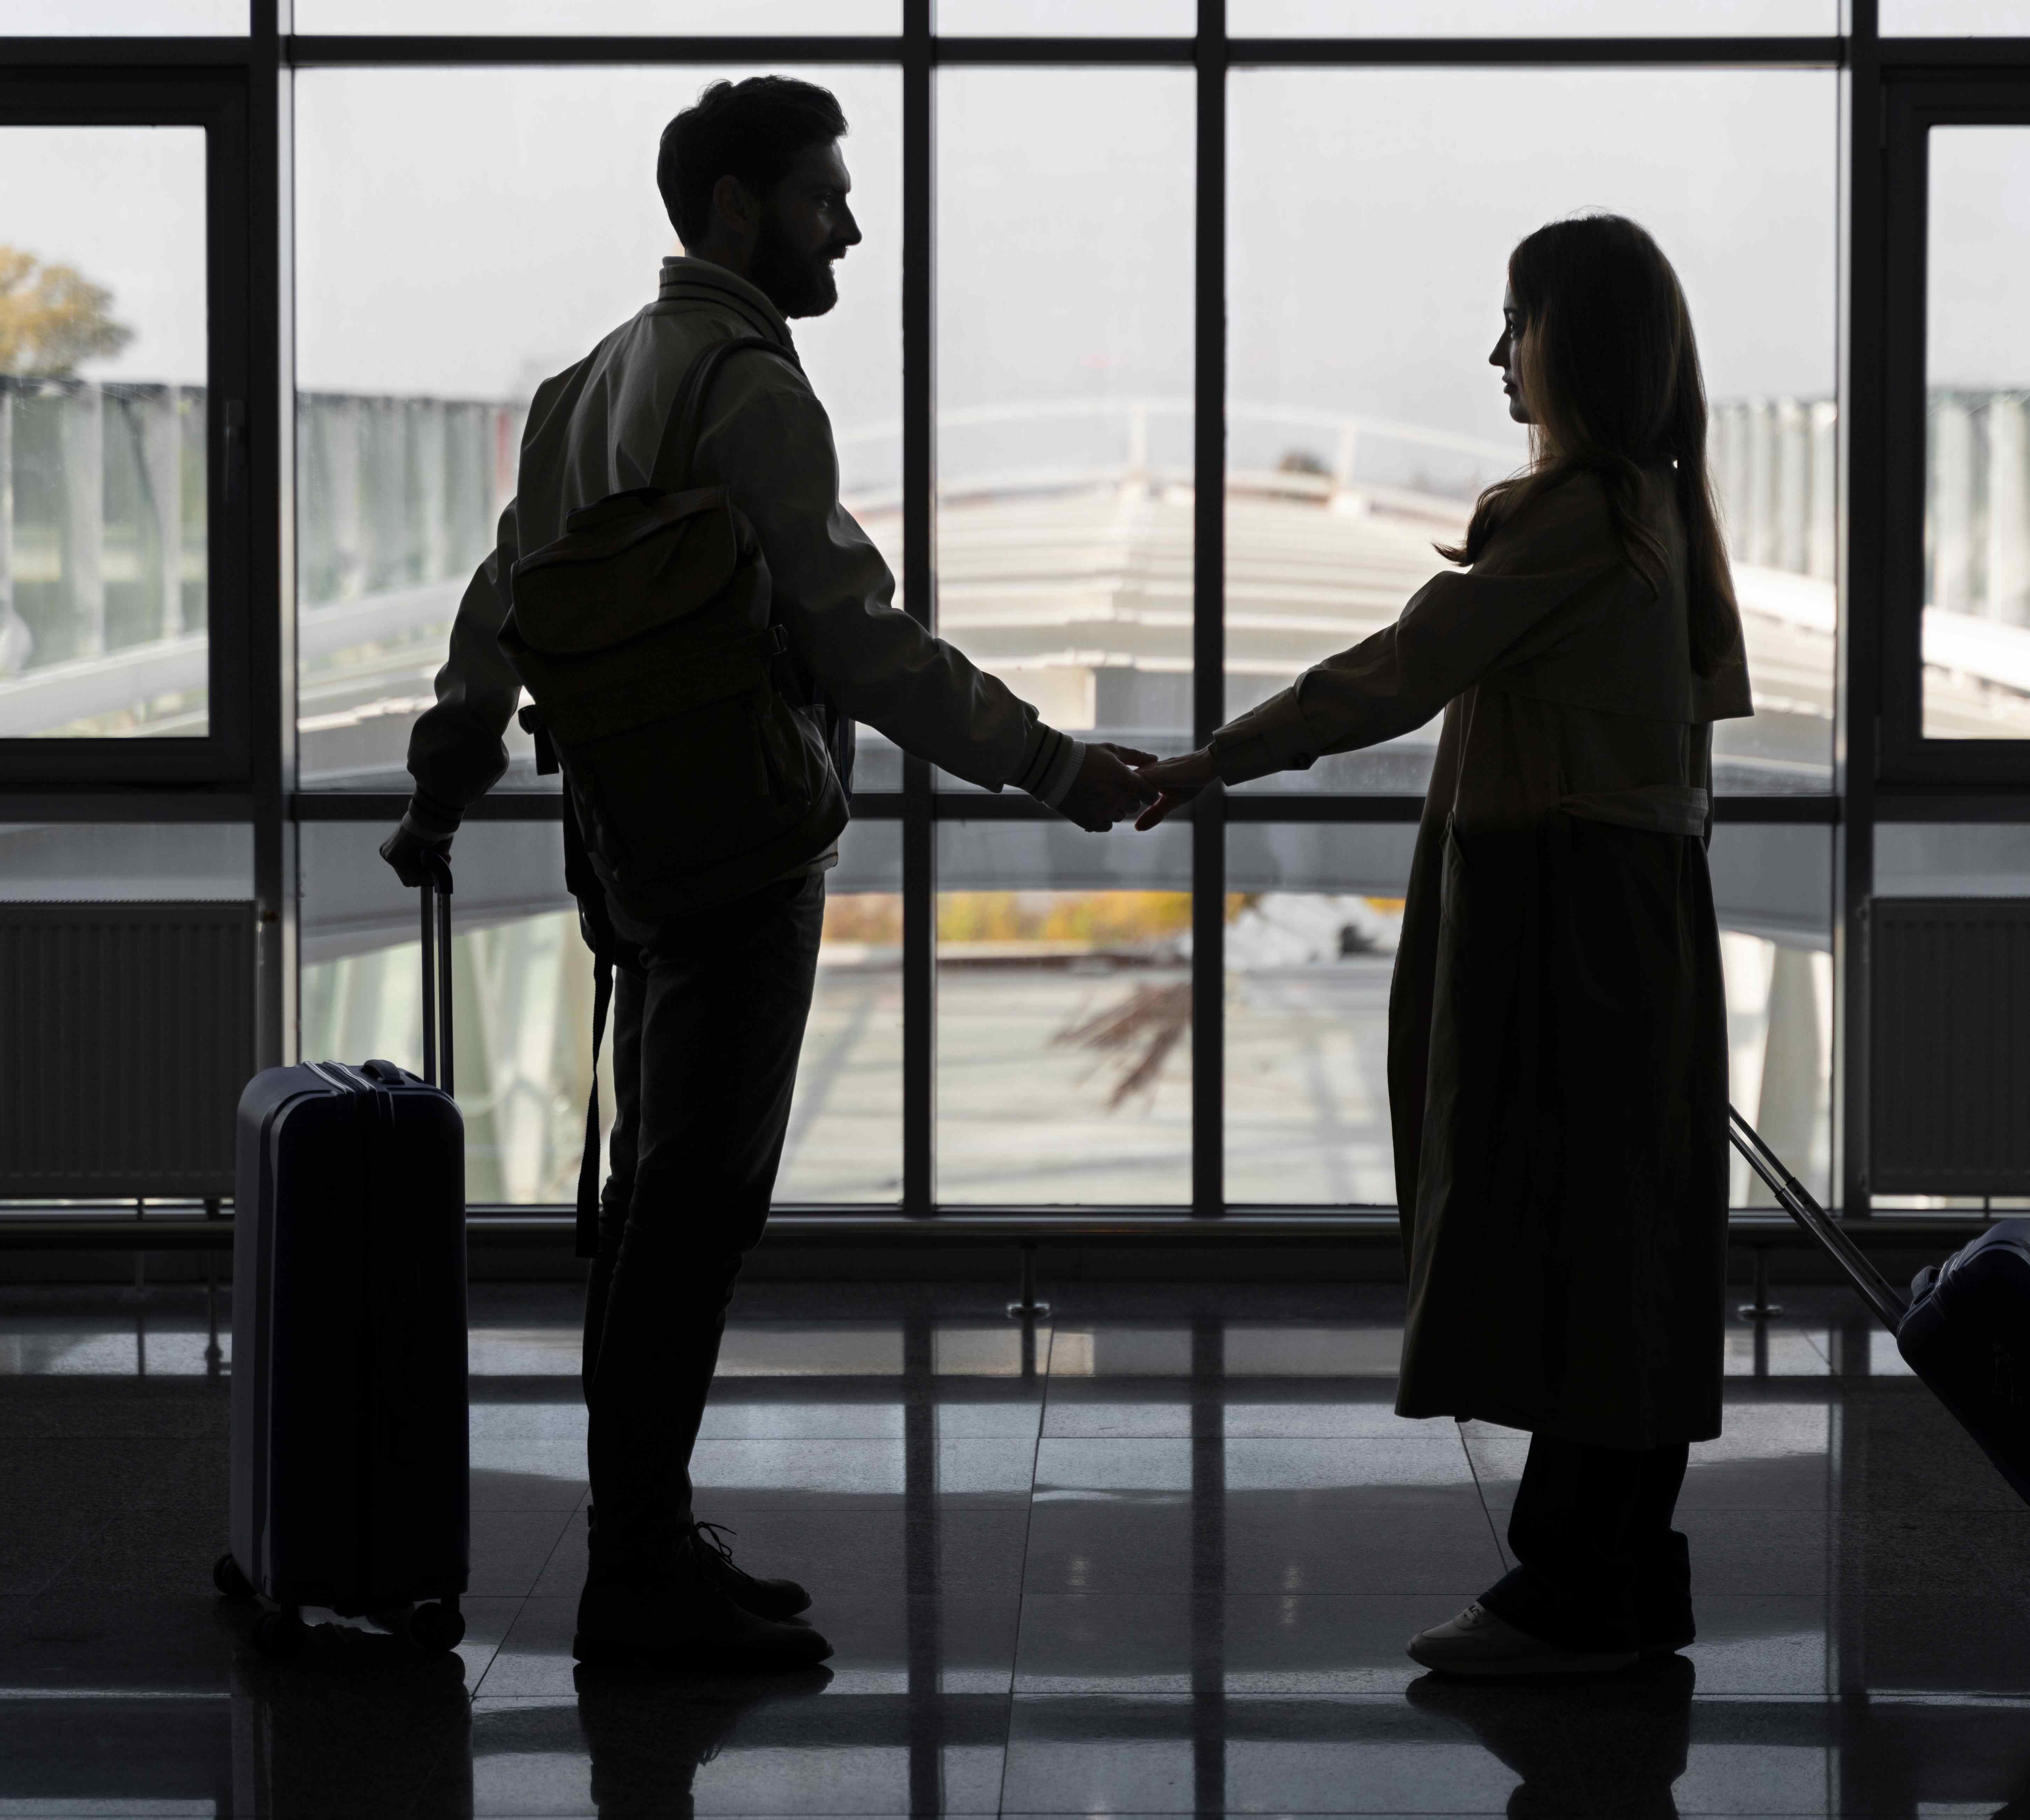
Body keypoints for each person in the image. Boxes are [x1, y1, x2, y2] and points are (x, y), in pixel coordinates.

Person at [381, 75, 1153, 1672]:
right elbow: (856, 642)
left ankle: (641, 1546)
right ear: (737, 208)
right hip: (741, 845)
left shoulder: (579, 387)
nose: (848, 229)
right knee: (697, 1209)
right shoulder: (750, 387)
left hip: (624, 841)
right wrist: (1054, 767)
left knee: (649, 1196)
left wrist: (449, 769)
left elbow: (497, 603)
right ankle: (641, 1566)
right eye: (822, 200)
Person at [1136, 213, 1751, 1676]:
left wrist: (1212, 761)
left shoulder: (1565, 520)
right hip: (1641, 909)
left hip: (1553, 915)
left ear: (1573, 345)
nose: (1496, 354)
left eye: (1514, 323)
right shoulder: (1663, 516)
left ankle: (1564, 1590)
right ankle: (1619, 1566)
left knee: (1546, 1220)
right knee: (1627, 1233)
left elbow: (1394, 674)